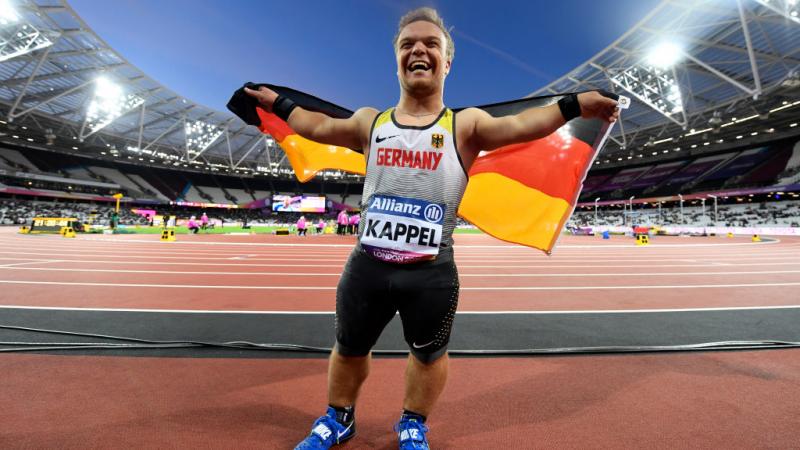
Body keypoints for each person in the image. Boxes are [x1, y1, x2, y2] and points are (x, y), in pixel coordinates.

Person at [245, 7, 618, 450]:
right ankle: (338, 418)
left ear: (446, 62)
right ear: (396, 59)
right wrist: (279, 105)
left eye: (430, 44)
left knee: (428, 354)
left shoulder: (466, 125)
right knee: (348, 348)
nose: (418, 50)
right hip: (368, 267)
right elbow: (319, 126)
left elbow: (523, 125)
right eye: (407, 44)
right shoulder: (371, 123)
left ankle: (412, 423)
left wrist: (577, 104)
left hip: (430, 274)